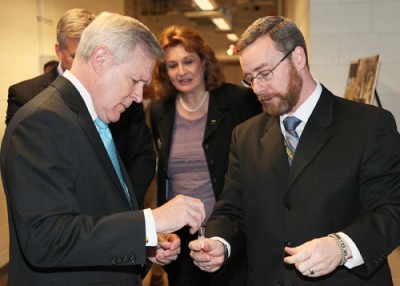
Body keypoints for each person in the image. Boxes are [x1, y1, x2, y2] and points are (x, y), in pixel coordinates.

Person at [189, 15, 400, 286]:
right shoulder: (245, 136)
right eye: (249, 79)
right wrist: (219, 242)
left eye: (264, 73)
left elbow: (392, 208)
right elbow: (232, 210)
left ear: (298, 58)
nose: (257, 88)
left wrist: (342, 247)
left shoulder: (367, 125)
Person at [1, 12, 206, 286]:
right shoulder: (42, 121)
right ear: (100, 59)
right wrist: (151, 220)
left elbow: (96, 211)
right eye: (135, 81)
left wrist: (144, 241)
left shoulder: (94, 117)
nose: (137, 97)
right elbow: (45, 238)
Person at [5, 8, 154, 207]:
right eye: (76, 55)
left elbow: (140, 158)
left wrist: (128, 216)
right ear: (59, 51)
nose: (87, 63)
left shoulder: (122, 96)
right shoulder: (29, 102)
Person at [149, 25, 262, 286]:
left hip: (228, 231)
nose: (181, 71)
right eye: (172, 65)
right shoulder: (159, 111)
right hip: (179, 237)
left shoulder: (239, 101)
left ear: (203, 61)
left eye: (188, 61)